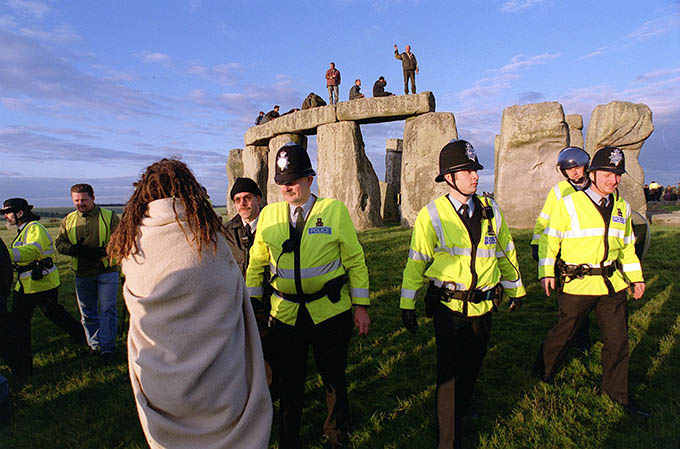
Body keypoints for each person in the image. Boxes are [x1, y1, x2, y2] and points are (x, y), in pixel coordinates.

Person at [107, 159, 272, 449]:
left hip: (160, 378)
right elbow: (235, 295)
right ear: (190, 192)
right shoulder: (209, 240)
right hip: (219, 379)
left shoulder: (134, 246)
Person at [400, 140, 525, 449]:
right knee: (450, 374)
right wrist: (407, 304)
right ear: (449, 177)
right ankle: (448, 440)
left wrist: (515, 288)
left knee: (474, 362)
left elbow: (505, 251)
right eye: (467, 171)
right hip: (449, 307)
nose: (474, 176)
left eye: (475, 170)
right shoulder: (432, 215)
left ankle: (462, 408)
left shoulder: (490, 208)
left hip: (484, 305)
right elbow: (416, 261)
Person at [246, 142, 371, 448]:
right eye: (282, 182)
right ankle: (289, 439)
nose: (287, 187)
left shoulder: (333, 211)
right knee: (288, 381)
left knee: (334, 378)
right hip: (285, 314)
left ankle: (336, 435)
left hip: (330, 311)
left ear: (309, 179)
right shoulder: (269, 215)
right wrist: (251, 305)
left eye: (293, 181)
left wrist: (361, 306)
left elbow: (354, 260)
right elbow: (256, 263)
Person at [534, 147, 649, 416]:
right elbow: (550, 240)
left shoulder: (622, 207)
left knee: (618, 340)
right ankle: (544, 370)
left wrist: (636, 278)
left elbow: (628, 248)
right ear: (593, 173)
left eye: (618, 174)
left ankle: (617, 395)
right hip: (578, 283)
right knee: (566, 331)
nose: (614, 180)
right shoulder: (568, 203)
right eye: (608, 174)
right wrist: (546, 272)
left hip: (613, 285)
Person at [1, 198, 85, 383]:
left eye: (8, 212)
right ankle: (81, 336)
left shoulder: (35, 229)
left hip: (38, 284)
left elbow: (32, 251)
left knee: (20, 325)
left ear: (20, 213)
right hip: (31, 284)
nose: (6, 216)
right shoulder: (24, 230)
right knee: (53, 313)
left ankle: (24, 368)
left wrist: (4, 254)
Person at [531, 147, 593, 353]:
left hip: (592, 248)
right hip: (566, 249)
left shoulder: (596, 187)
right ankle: (576, 337)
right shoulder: (558, 191)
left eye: (577, 167)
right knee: (569, 299)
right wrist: (537, 242)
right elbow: (545, 218)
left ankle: (582, 333)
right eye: (568, 169)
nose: (574, 172)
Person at [55, 184, 120, 363]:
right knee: (88, 313)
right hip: (82, 273)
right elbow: (59, 243)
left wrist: (104, 251)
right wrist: (73, 249)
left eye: (84, 199)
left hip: (106, 271)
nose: (80, 203)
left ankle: (107, 348)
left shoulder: (109, 217)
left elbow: (120, 240)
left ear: (93, 198)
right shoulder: (68, 219)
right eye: (76, 200)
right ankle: (94, 345)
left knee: (108, 310)